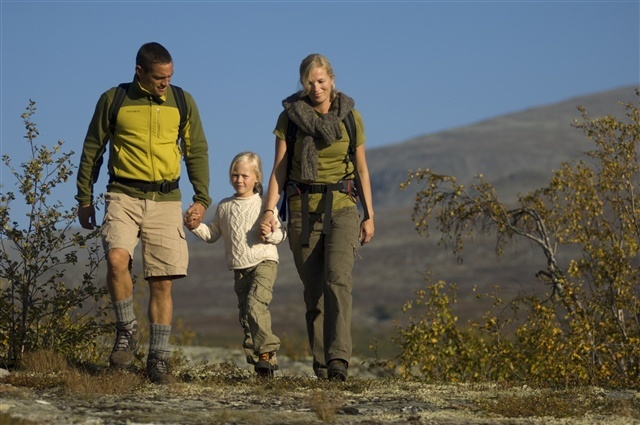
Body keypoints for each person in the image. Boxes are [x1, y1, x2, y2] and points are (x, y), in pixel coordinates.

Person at [76, 42, 211, 384]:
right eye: (158, 77)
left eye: (169, 76)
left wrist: (202, 198)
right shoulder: (114, 99)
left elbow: (197, 150)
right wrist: (84, 197)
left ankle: (158, 360)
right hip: (122, 194)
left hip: (166, 200)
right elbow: (93, 147)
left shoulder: (182, 101)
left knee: (162, 281)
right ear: (140, 72)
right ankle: (126, 331)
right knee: (117, 259)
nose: (165, 83)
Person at [260, 53, 375, 381]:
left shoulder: (351, 117)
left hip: (342, 207)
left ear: (332, 80)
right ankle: (322, 365)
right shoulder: (289, 118)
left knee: (338, 280)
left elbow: (362, 169)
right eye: (310, 82)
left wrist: (369, 215)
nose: (316, 87)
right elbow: (280, 169)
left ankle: (339, 360)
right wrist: (269, 210)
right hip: (301, 211)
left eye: (321, 81)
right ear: (303, 83)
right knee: (314, 292)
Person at [184, 152, 285, 377]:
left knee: (255, 305)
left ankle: (267, 353)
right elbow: (211, 234)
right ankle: (260, 364)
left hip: (264, 262)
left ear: (257, 178)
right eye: (235, 175)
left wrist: (269, 234)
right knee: (246, 316)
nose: (239, 180)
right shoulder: (224, 206)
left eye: (245, 176)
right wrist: (193, 226)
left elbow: (280, 235)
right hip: (239, 267)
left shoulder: (264, 205)